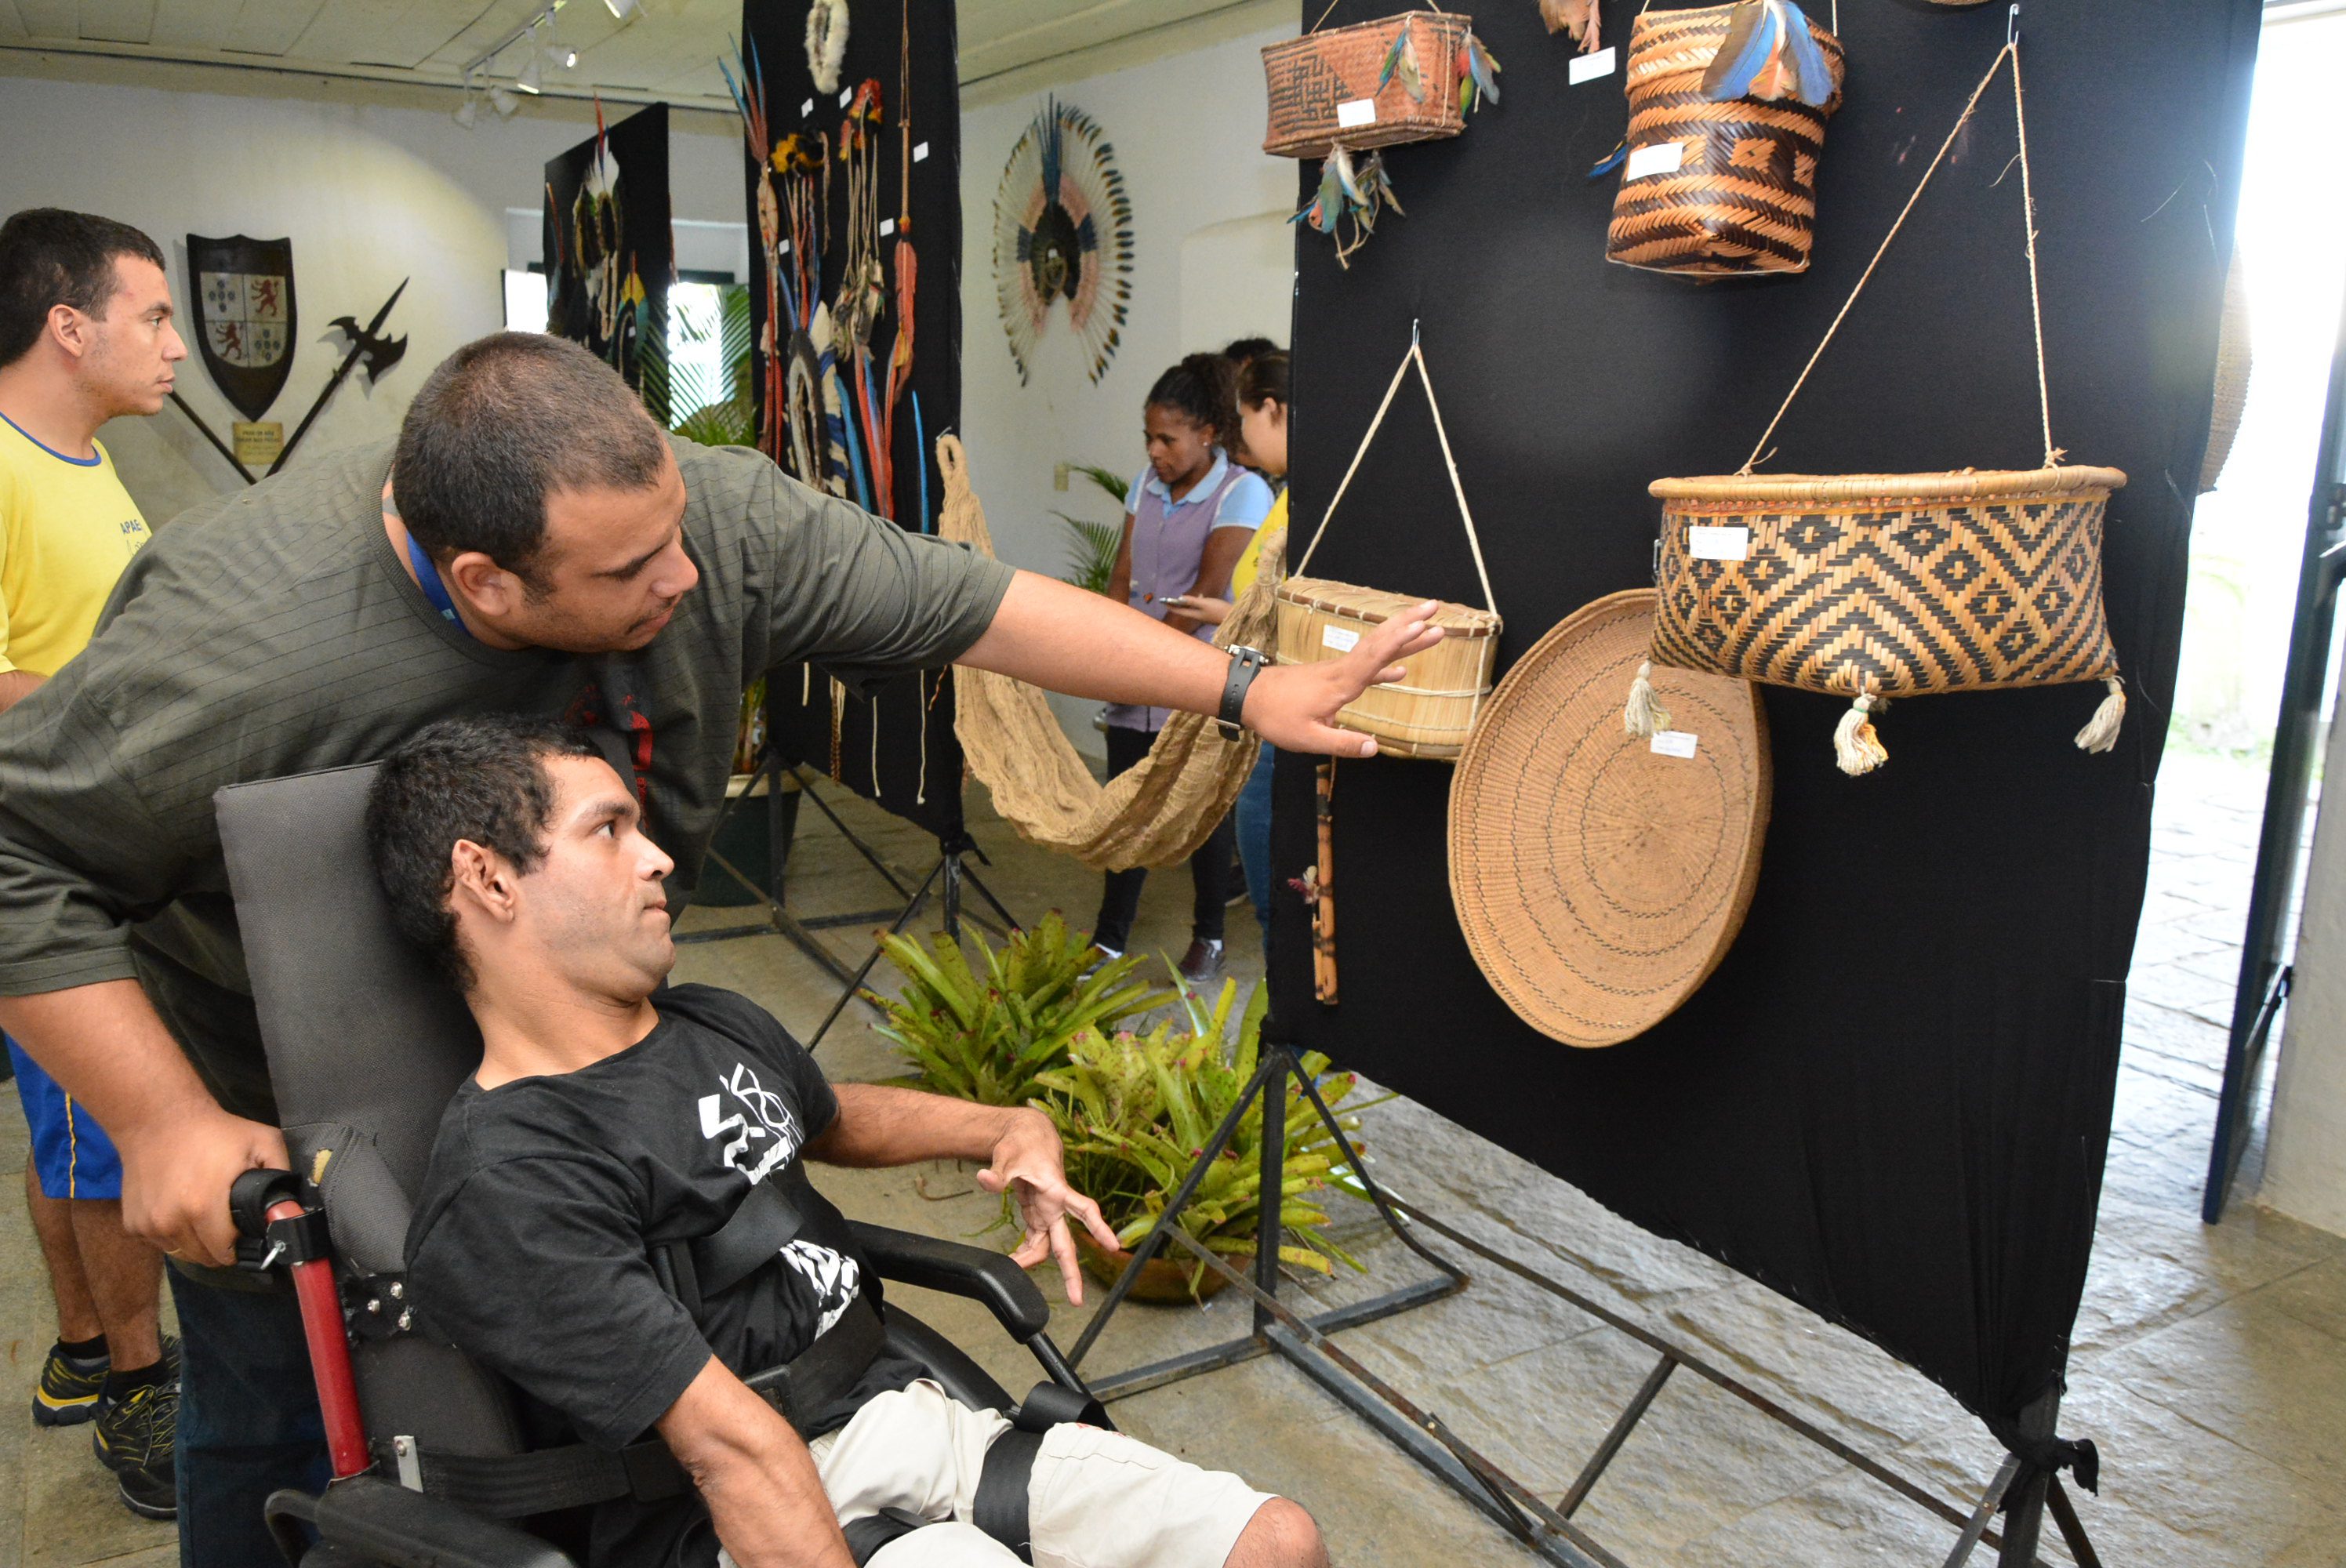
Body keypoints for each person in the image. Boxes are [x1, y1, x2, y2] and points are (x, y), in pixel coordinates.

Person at [0, 326, 1438, 1566]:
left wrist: (1247, 690)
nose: (690, 580)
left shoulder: (700, 531)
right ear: (490, 587)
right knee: (279, 1412)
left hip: (599, 1007)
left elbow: (969, 605)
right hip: (272, 1070)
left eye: (682, 533)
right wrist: (161, 1118)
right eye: (634, 571)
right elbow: (16, 850)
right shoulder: (243, 649)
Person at [369, 713, 1330, 1568]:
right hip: (752, 1502)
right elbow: (727, 1446)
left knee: (1276, 1541)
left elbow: (834, 1116)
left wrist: (1007, 1124)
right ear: (487, 877)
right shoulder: (512, 1176)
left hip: (915, 1412)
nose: (656, 856)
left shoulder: (707, 1021)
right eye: (608, 830)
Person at [0, 207, 186, 1520]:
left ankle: (75, 1354)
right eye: (158, 315)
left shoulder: (76, 459)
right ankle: (136, 1381)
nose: (174, 343)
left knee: (60, 1127)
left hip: (84, 843)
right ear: (71, 326)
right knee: (113, 1139)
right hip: (47, 868)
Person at [1090, 354, 1274, 985]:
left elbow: (1207, 593)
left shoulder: (1240, 492)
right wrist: (1102, 649)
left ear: (1208, 433)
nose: (1156, 450)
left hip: (1189, 679)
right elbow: (1121, 576)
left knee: (1204, 815)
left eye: (1168, 438)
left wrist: (1130, 660)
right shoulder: (1146, 483)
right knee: (1126, 809)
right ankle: (1109, 939)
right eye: (1149, 437)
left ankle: (1210, 936)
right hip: (1128, 679)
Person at [1172, 353, 1290, 959]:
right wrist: (1222, 614)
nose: (1243, 433)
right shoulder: (1289, 494)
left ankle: (1287, 1035)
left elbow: (1295, 617)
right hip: (1260, 699)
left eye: (1247, 417)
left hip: (1280, 710)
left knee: (1276, 901)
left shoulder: (1302, 501)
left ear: (1272, 409)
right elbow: (1268, 605)